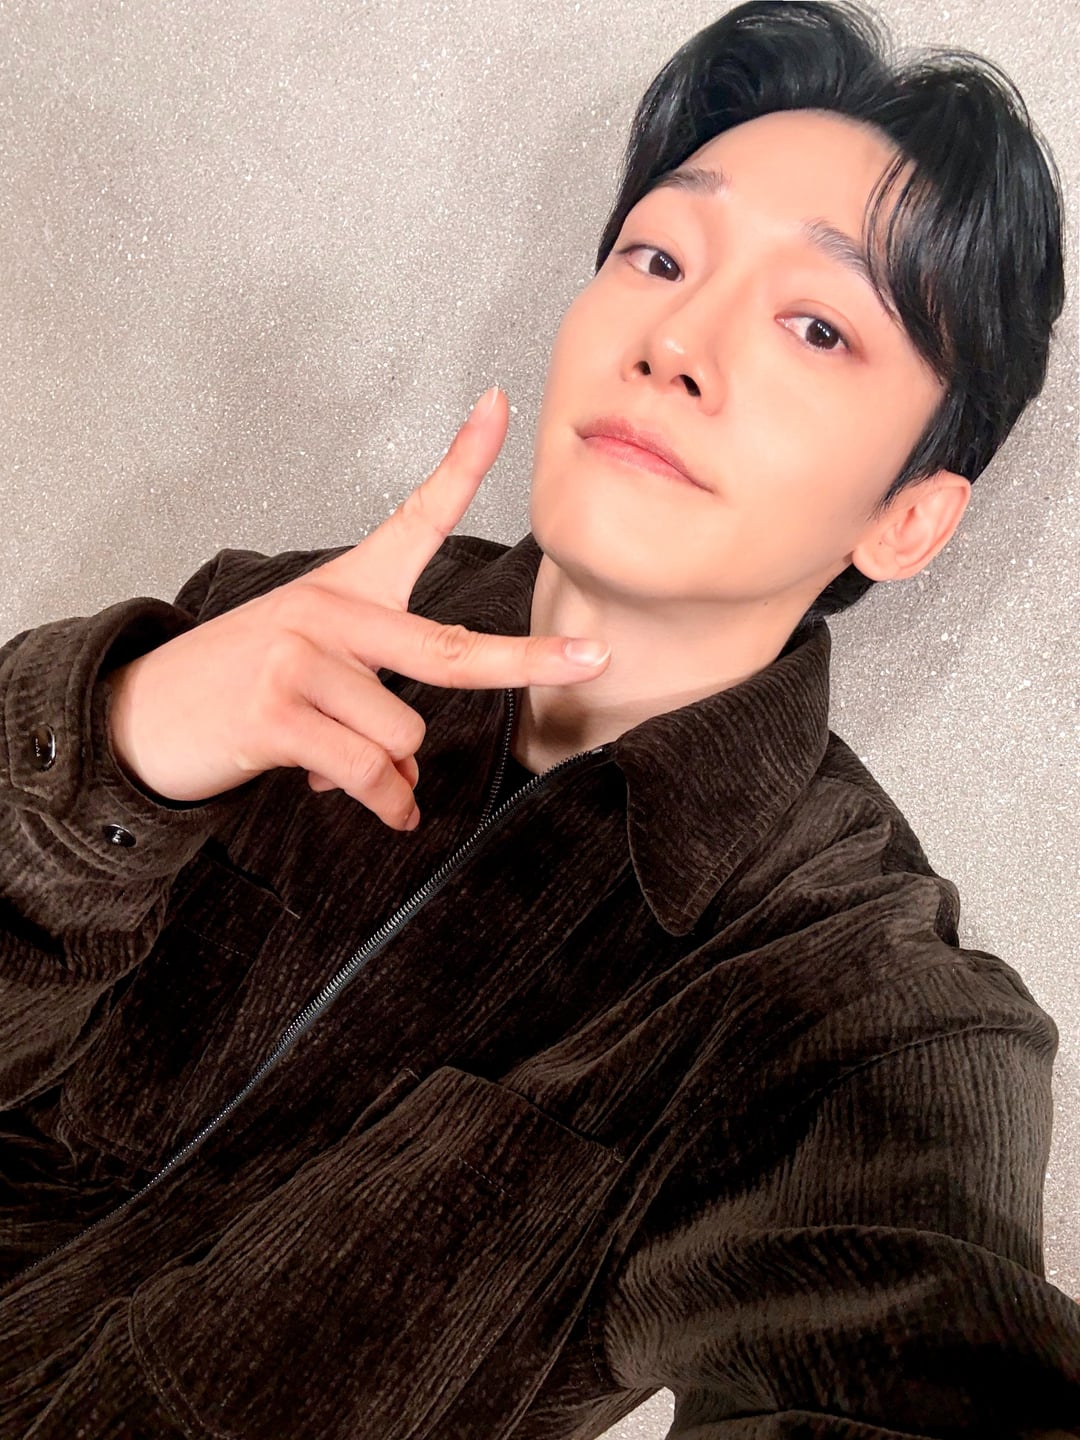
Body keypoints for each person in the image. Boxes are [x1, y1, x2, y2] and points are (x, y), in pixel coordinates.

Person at [0, 0, 1077, 1435]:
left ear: (909, 517)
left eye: (819, 325)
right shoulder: (263, 617)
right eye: (659, 256)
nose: (677, 340)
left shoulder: (856, 1007)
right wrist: (115, 751)